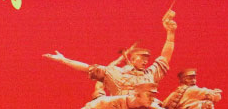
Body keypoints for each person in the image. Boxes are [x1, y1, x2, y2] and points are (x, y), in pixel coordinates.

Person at [44, 7, 178, 107]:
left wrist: (170, 33)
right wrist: (64, 60)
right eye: (142, 59)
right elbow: (87, 68)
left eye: (146, 60)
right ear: (132, 59)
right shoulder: (115, 73)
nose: (145, 62)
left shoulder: (150, 74)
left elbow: (165, 57)